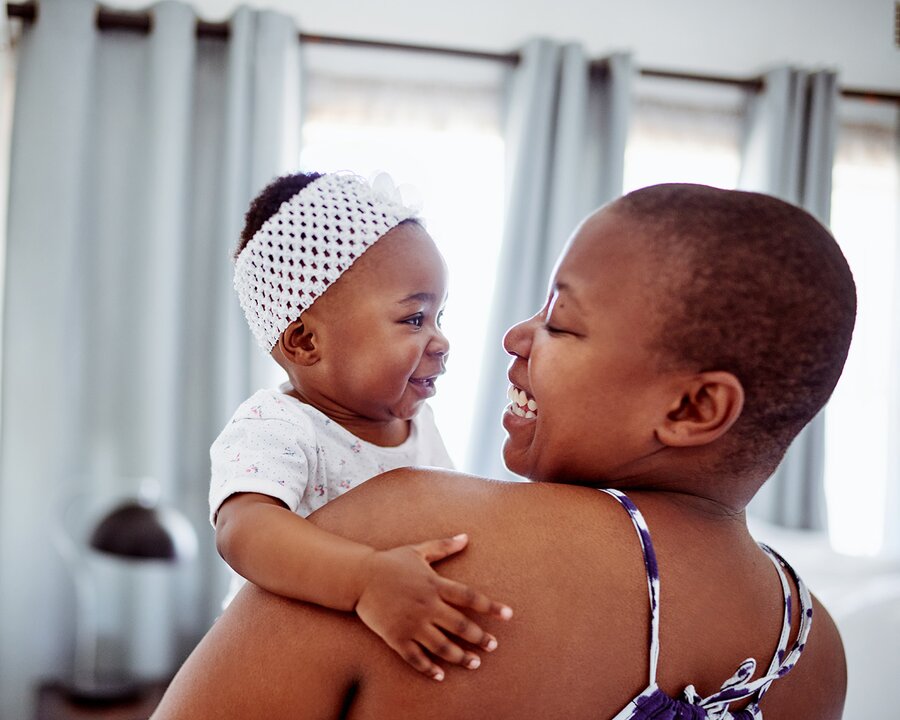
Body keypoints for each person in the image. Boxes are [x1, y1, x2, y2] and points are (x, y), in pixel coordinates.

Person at [154, 183, 852, 720]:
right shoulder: (817, 658)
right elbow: (242, 520)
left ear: (692, 408)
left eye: (559, 321)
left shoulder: (406, 534)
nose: (514, 336)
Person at [209, 171, 512, 682]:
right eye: (415, 319)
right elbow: (243, 531)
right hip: (277, 663)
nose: (441, 341)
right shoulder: (279, 426)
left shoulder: (421, 426)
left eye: (440, 317)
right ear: (305, 342)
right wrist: (364, 581)